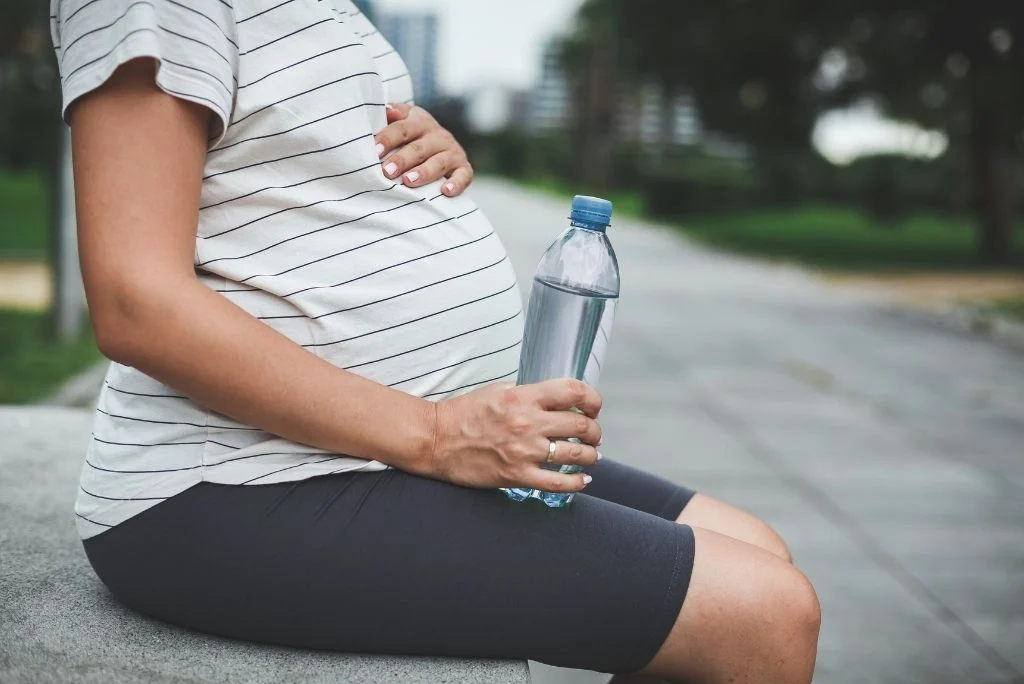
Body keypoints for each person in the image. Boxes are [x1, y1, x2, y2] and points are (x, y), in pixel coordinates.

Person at [50, 0, 820, 681]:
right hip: (236, 485)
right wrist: (437, 435)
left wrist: (415, 164)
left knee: (754, 546)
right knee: (763, 615)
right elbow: (136, 302)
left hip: (365, 451)